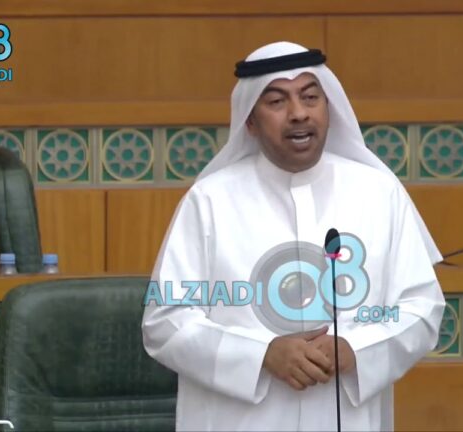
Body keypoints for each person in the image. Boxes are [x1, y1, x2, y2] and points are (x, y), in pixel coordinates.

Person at [141, 41, 445, 431]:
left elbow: (422, 308)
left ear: (329, 109)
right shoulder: (210, 201)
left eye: (310, 97)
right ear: (250, 122)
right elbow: (165, 322)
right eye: (276, 101)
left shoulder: (379, 194)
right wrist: (261, 356)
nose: (299, 113)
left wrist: (356, 349)